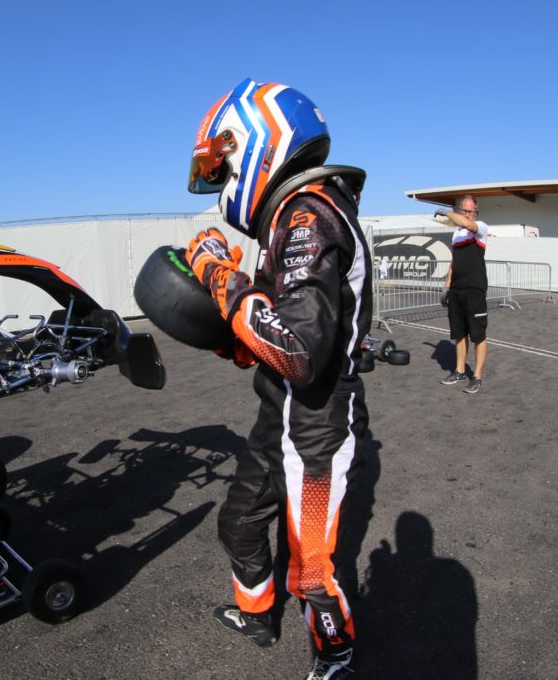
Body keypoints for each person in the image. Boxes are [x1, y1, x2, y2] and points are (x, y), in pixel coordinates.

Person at [184, 78, 372, 680]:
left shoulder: (309, 213)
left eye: (220, 166)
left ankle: (336, 654)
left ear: (254, 143)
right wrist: (236, 341)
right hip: (282, 412)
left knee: (311, 568)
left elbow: (298, 352)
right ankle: (257, 617)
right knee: (239, 523)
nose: (220, 182)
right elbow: (280, 333)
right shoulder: (297, 212)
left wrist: (219, 275)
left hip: (318, 423)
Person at [438, 195, 489, 394]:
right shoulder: (456, 234)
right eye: (464, 210)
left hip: (475, 289)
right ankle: (459, 371)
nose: (467, 214)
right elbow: (454, 261)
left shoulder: (481, 227)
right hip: (457, 289)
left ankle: (477, 376)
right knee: (459, 333)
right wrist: (447, 286)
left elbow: (467, 224)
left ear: (476, 212)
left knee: (478, 335)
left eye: (470, 211)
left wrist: (447, 213)